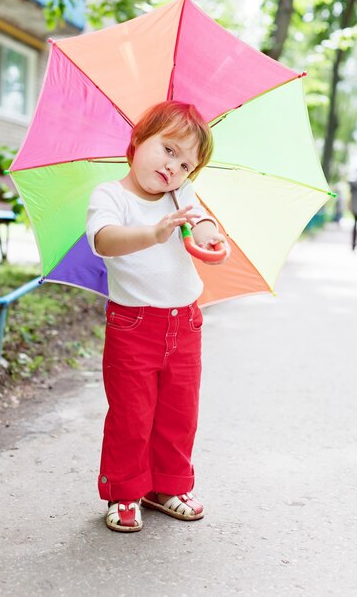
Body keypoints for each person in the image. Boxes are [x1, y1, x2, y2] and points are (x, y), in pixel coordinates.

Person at [86, 101, 229, 532]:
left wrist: (210, 237)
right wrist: (153, 232)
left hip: (184, 322)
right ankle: (125, 491)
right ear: (137, 141)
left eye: (186, 164)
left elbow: (201, 220)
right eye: (168, 150)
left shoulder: (180, 195)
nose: (174, 168)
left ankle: (166, 486)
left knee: (178, 412)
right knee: (132, 413)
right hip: (133, 325)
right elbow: (105, 240)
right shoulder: (110, 196)